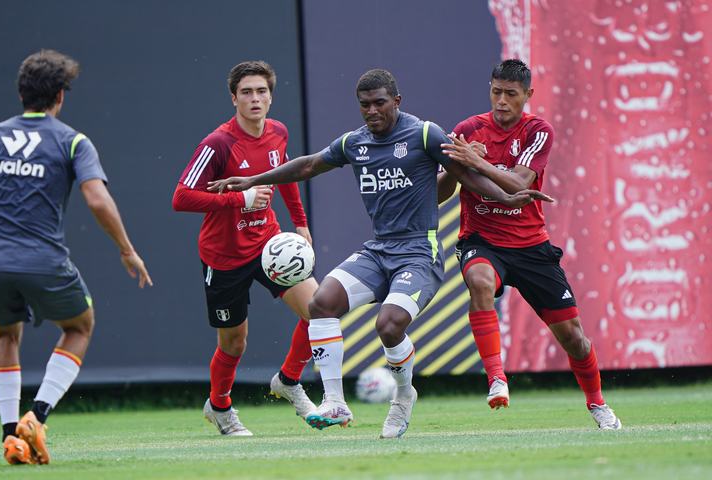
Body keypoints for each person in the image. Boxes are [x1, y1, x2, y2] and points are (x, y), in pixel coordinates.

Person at [208, 68, 551, 438]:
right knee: (321, 303)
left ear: (397, 101)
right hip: (379, 250)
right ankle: (335, 402)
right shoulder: (354, 142)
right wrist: (254, 179)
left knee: (388, 325)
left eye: (379, 103)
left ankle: (403, 395)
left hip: (419, 252)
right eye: (365, 105)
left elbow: (464, 176)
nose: (372, 111)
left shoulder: (424, 133)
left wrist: (506, 198)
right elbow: (308, 164)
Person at [438, 58, 621, 430]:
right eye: (496, 92)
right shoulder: (468, 130)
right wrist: (455, 168)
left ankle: (597, 403)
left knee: (574, 339)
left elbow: (520, 183)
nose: (501, 101)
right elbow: (441, 193)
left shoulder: (538, 130)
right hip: (482, 241)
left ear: (528, 94)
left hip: (532, 247)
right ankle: (496, 378)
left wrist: (477, 162)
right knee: (480, 282)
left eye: (511, 94)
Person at [0, 49, 153, 465]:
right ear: (60, 96)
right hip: (43, 260)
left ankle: (10, 436)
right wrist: (127, 250)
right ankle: (37, 416)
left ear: (22, 93)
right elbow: (97, 199)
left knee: (5, 335)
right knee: (80, 325)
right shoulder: (72, 140)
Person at [172, 61, 319, 437]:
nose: (255, 98)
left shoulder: (278, 132)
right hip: (223, 257)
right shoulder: (218, 143)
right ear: (233, 98)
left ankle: (288, 381)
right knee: (234, 343)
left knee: (319, 310)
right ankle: (219, 406)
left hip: (269, 245)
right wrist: (241, 198)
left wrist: (300, 222)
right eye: (246, 92)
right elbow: (181, 197)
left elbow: (285, 174)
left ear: (271, 97)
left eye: (261, 91)